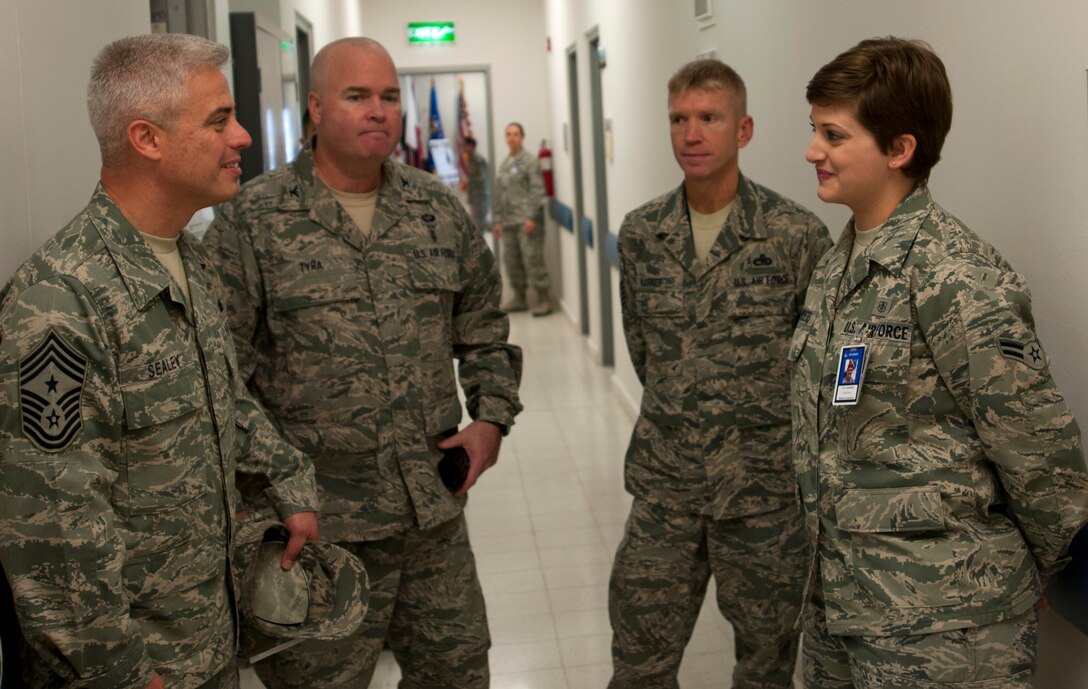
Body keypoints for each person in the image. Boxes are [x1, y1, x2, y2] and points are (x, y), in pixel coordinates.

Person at [202, 37, 523, 689]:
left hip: (430, 512)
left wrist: (491, 421)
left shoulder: (436, 209)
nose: (378, 111)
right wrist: (262, 497)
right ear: (315, 108)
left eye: (388, 96)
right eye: (357, 97)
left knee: (458, 674)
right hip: (318, 529)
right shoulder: (253, 223)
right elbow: (220, 378)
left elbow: (484, 326)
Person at [0, 33, 319, 689]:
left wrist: (288, 482)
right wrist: (121, 674)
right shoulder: (59, 303)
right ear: (147, 139)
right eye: (218, 120)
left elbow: (223, 399)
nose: (244, 138)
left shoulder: (184, 257)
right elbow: (55, 531)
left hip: (206, 641)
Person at [795, 37, 1088, 688]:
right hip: (843, 613)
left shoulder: (954, 277)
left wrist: (1028, 569)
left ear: (899, 149)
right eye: (814, 130)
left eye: (834, 135)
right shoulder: (837, 266)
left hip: (945, 634)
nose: (813, 151)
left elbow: (1041, 456)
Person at [609, 59, 831, 689]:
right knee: (638, 660)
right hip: (665, 487)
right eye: (679, 119)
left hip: (762, 495)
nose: (692, 133)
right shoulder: (641, 234)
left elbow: (812, 367)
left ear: (744, 129)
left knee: (766, 668)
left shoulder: (794, 235)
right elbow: (644, 349)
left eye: (709, 117)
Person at [491, 122, 552, 316]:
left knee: (533, 260)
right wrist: (498, 220)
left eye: (516, 134)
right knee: (512, 262)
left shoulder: (530, 162)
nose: (512, 138)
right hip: (508, 222)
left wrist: (531, 217)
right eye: (508, 134)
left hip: (526, 222)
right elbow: (499, 194)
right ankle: (519, 297)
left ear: (522, 137)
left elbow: (537, 191)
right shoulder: (504, 164)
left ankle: (544, 299)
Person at [460, 136, 490, 233]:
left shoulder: (477, 159)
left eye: (465, 145)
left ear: (470, 146)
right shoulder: (470, 158)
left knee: (479, 223)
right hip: (474, 195)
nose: (463, 148)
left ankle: (498, 229)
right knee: (476, 221)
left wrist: (468, 180)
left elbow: (481, 178)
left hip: (480, 194)